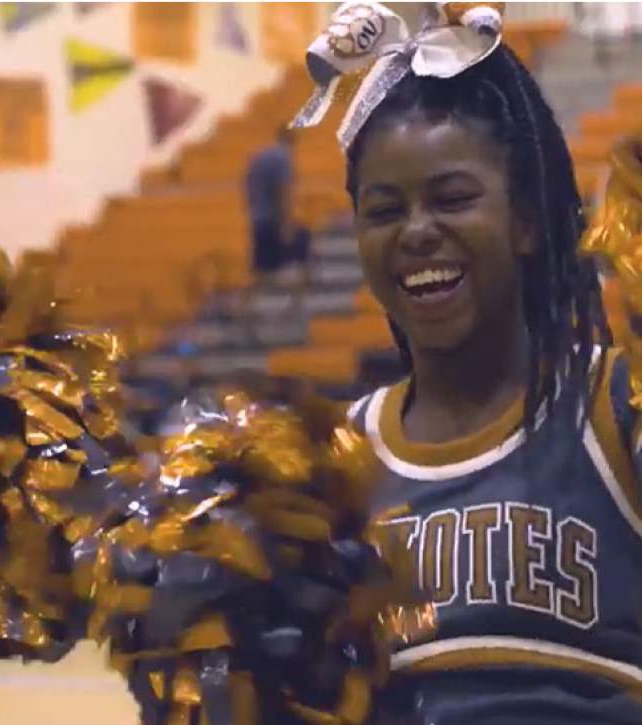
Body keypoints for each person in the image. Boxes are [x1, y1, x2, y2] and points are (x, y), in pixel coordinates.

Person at [325, 28, 642, 725]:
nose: (416, 230)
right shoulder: (330, 465)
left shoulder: (615, 410)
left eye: (452, 197)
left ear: (526, 221)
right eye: (383, 210)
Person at [243, 126, 312, 314]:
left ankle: (246, 311)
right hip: (274, 222)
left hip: (259, 220)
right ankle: (296, 309)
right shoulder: (283, 158)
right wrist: (286, 224)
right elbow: (284, 192)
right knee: (302, 258)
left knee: (262, 272)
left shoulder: (259, 157)